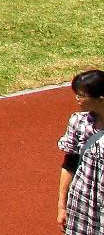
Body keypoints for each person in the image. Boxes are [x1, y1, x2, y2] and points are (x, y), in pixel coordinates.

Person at [59, 68, 104, 235]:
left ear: (100, 100)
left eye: (82, 95)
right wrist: (62, 206)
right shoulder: (78, 122)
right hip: (82, 203)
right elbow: (69, 164)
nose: (77, 98)